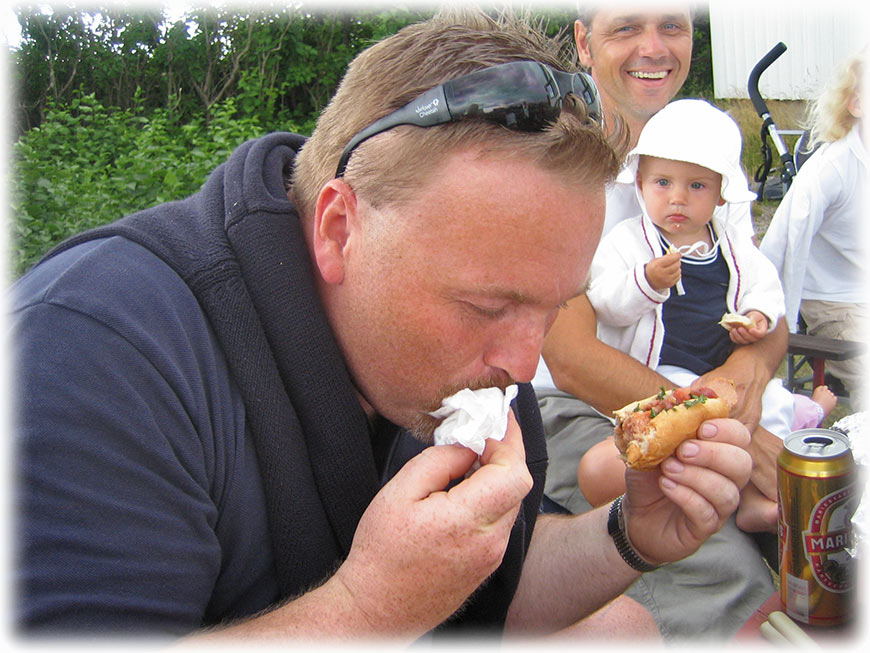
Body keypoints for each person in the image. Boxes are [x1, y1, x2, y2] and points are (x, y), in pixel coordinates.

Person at [12, 9, 753, 642]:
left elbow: (493, 591)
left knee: (626, 628)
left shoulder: (488, 369)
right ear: (339, 229)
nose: (524, 363)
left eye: (552, 305)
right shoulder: (98, 350)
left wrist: (629, 532)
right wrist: (367, 609)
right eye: (487, 306)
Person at [531, 4, 788, 641]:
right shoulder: (559, 164)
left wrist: (749, 367)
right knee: (707, 550)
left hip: (694, 393)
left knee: (803, 525)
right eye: (626, 28)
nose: (654, 46)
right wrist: (716, 417)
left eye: (672, 25)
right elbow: (571, 356)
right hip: (582, 405)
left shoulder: (707, 154)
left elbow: (764, 299)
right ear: (584, 44)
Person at [760, 47, 868, 411]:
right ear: (856, 103)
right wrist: (772, 322)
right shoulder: (833, 168)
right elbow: (782, 240)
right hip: (836, 302)